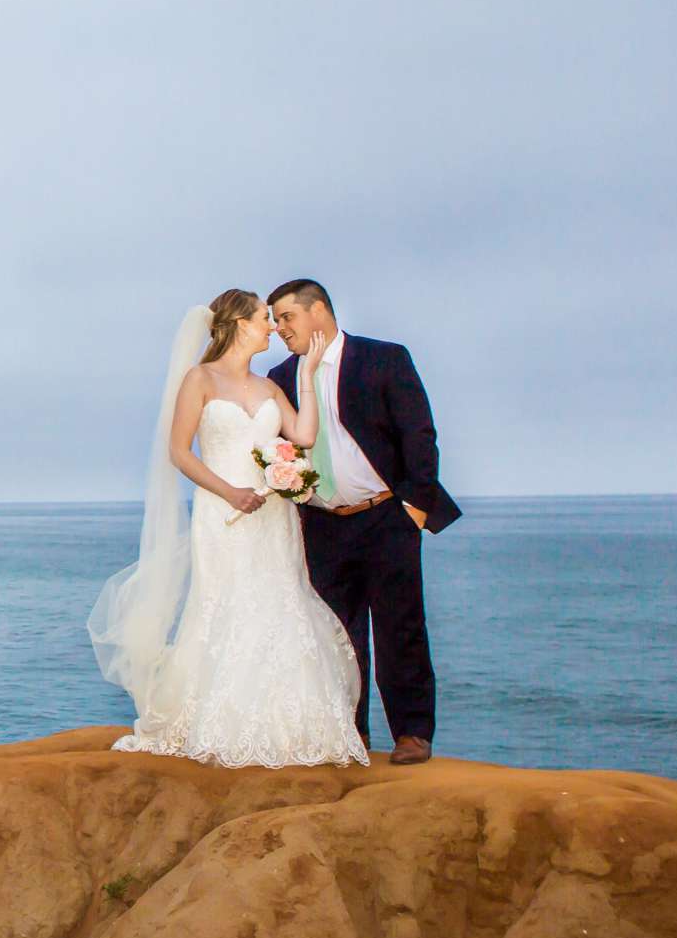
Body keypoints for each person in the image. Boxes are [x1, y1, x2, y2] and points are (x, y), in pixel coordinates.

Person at [89, 289, 368, 769]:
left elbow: (302, 436)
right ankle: (217, 720)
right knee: (226, 604)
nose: (273, 328)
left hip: (273, 516)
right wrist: (229, 492)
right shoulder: (200, 379)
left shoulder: (269, 388)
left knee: (281, 601)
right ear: (240, 324)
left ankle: (286, 726)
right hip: (223, 514)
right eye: (265, 318)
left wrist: (306, 375)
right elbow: (180, 452)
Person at [264, 278, 460, 764]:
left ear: (320, 311)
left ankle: (412, 733)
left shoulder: (384, 359)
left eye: (286, 317)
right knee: (335, 633)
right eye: (274, 320)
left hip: (386, 515)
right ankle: (350, 734)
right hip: (322, 522)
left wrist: (412, 509)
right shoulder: (280, 375)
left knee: (401, 626)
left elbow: (419, 435)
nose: (278, 328)